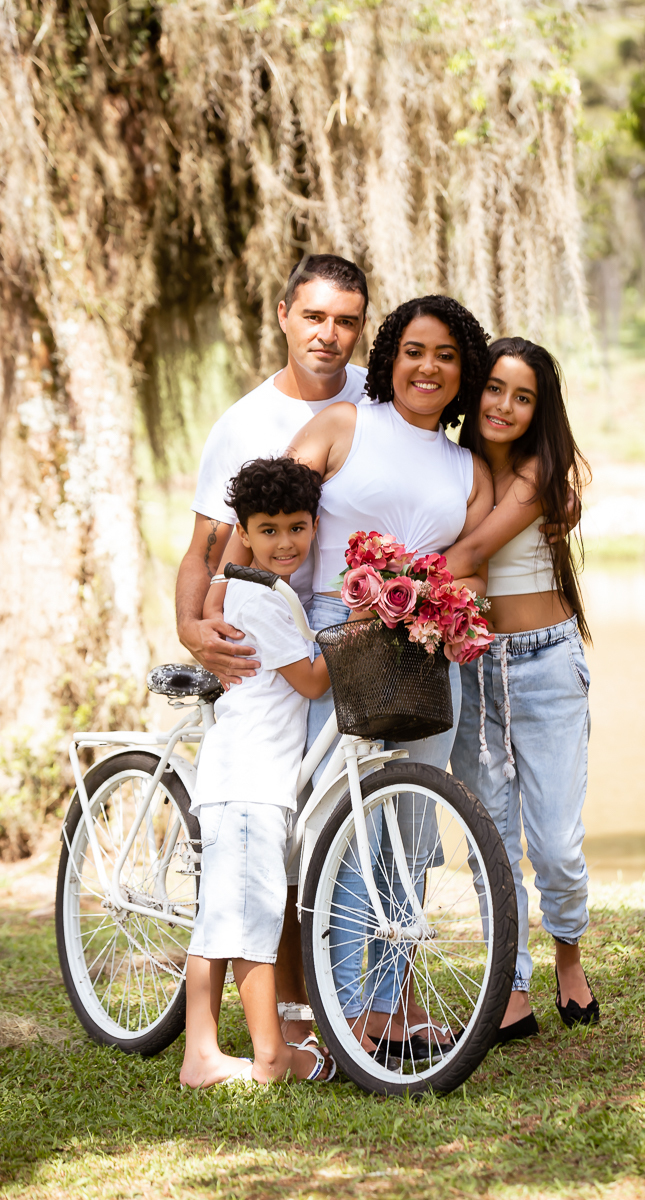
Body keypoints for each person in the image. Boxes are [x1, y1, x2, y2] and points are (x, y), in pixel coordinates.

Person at [219, 294, 494, 1057]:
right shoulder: (345, 427)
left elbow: (471, 575)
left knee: (409, 834)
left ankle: (386, 1006)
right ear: (390, 358)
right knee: (336, 830)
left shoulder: (467, 469)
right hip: (331, 654)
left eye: (444, 355)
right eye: (413, 350)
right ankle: (334, 1008)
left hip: (424, 664)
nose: (427, 367)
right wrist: (221, 602)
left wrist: (444, 601)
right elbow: (262, 515)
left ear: (462, 369)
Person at [176, 253, 369, 1045]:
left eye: (347, 320)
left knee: (334, 833)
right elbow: (203, 550)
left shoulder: (376, 406)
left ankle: (346, 1005)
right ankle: (282, 1032)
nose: (329, 335)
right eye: (315, 316)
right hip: (278, 645)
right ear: (284, 313)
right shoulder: (243, 425)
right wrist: (192, 628)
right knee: (272, 850)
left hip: (325, 629)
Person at [444, 337, 599, 1043]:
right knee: (492, 838)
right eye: (495, 389)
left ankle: (569, 955)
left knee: (557, 842)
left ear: (539, 409)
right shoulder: (451, 466)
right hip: (471, 666)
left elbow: (472, 553)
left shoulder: (539, 470)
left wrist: (390, 578)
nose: (504, 406)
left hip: (545, 665)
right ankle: (509, 983)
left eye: (523, 395)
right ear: (474, 392)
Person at [179, 457, 335, 1087]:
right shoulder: (266, 602)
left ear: (315, 525)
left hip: (242, 775)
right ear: (243, 530)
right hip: (250, 781)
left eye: (298, 527)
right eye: (268, 530)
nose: (285, 542)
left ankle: (201, 1054)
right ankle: (271, 1056)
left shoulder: (251, 589)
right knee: (253, 917)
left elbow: (221, 587)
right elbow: (313, 679)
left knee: (220, 916)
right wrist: (371, 626)